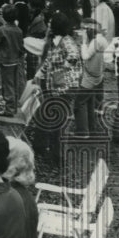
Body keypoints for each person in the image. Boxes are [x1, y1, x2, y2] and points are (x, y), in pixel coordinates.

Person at [32, 11, 81, 166]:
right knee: (54, 120)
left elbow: (74, 54)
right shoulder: (55, 41)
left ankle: (57, 157)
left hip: (65, 88)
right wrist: (40, 73)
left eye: (51, 22)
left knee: (58, 122)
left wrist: (64, 68)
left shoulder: (66, 41)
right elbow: (48, 61)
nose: (49, 24)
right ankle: (51, 153)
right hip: (57, 87)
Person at [0, 4, 26, 115]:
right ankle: (12, 107)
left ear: (4, 16)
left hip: (5, 61)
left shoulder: (2, 29)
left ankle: (9, 109)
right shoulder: (19, 30)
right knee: (13, 84)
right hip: (16, 60)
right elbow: (21, 47)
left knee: (7, 85)